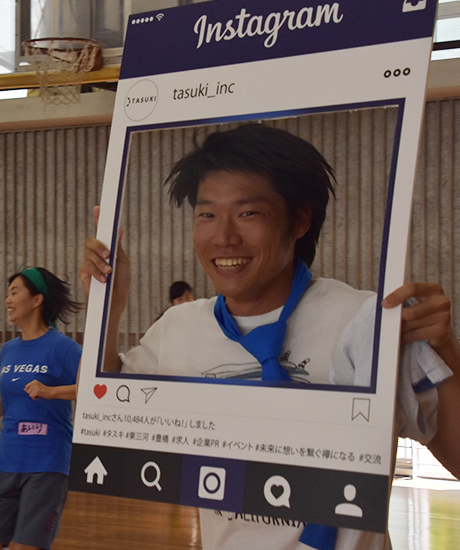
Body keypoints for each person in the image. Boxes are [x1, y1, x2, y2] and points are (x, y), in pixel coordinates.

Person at [79, 123, 460, 550]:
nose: (224, 236)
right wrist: (107, 309)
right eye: (207, 214)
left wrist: (447, 351)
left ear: (299, 221)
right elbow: (104, 411)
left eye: (248, 213)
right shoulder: (178, 328)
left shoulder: (368, 322)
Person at [0, 267, 83, 550]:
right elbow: (16, 398)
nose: (7, 300)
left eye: (14, 292)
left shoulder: (63, 348)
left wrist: (51, 391)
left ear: (37, 299)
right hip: (5, 461)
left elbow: (95, 391)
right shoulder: (9, 350)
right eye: (8, 294)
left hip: (46, 463)